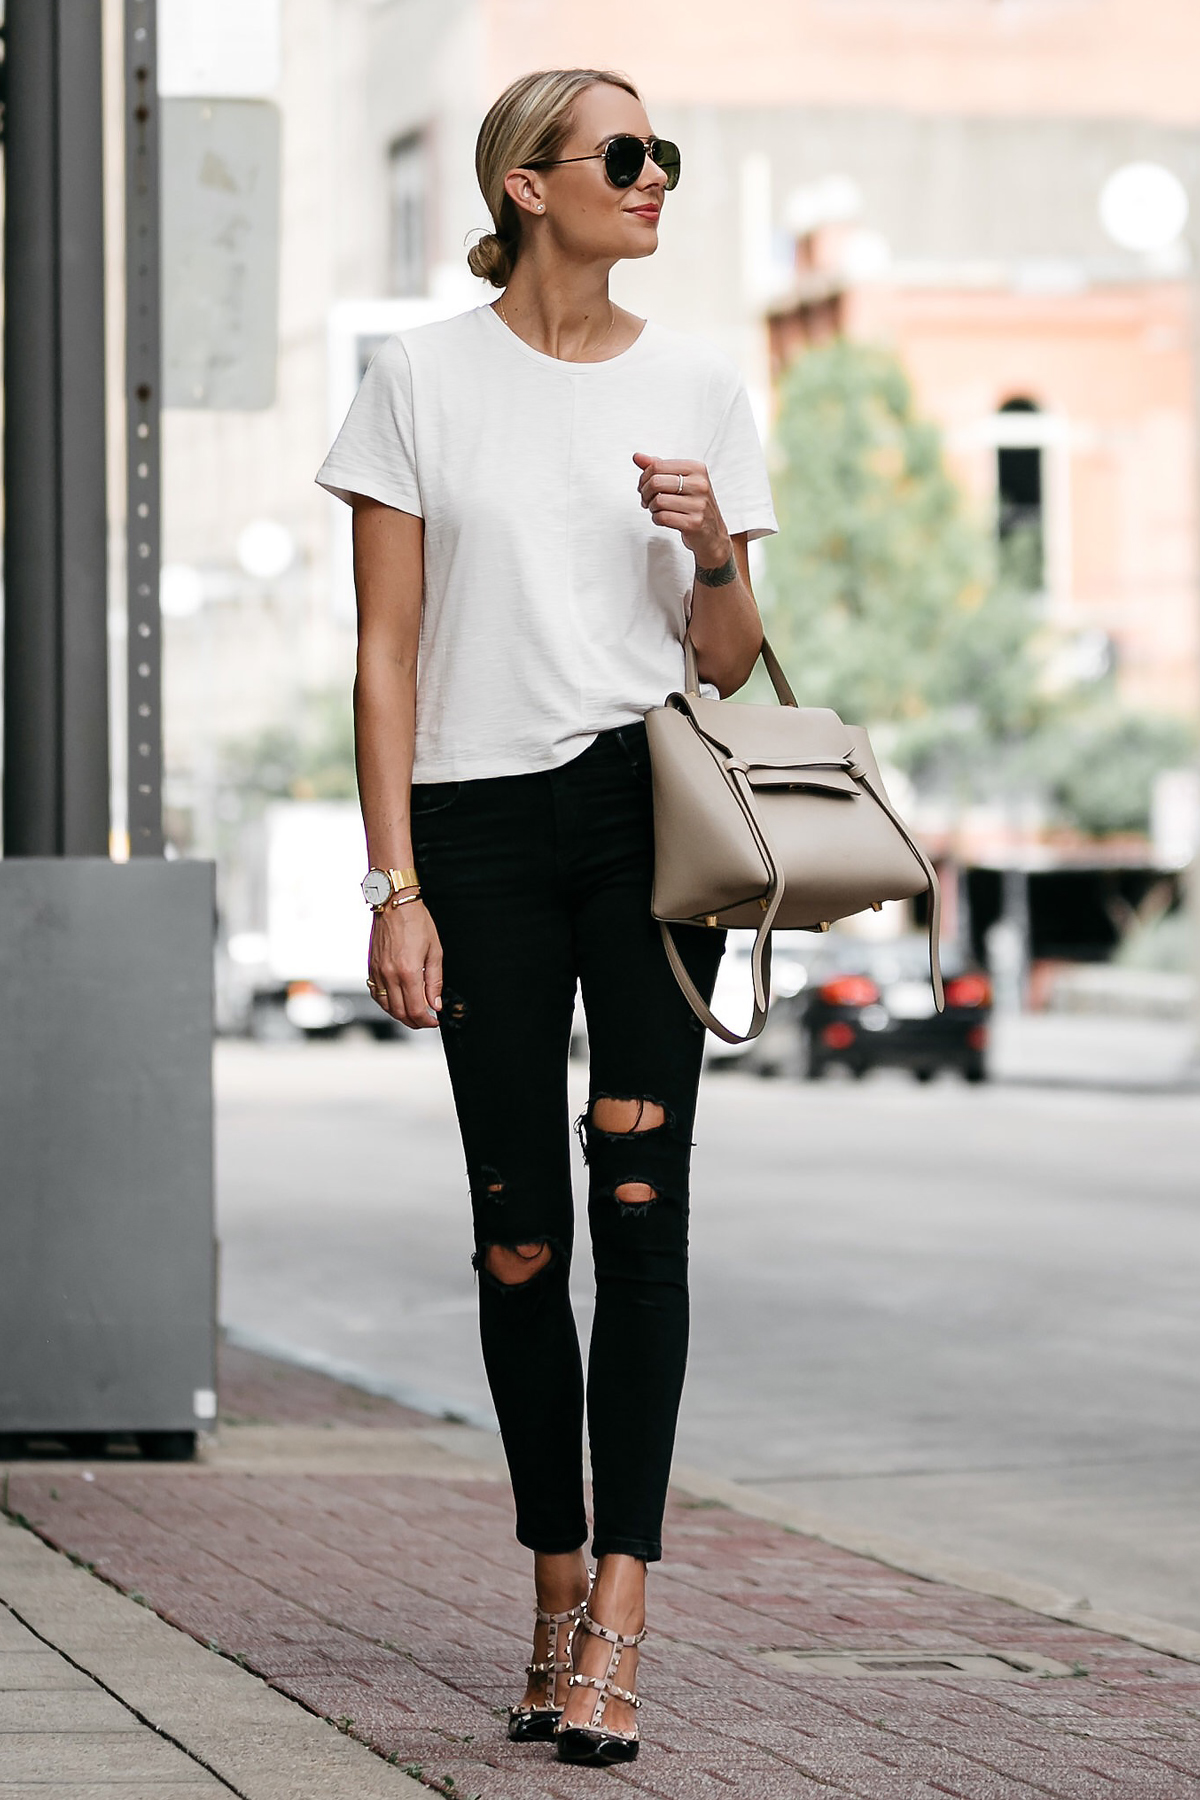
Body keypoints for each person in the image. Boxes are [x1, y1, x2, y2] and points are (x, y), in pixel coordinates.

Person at [316, 66, 776, 1766]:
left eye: (667, 159)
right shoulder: (419, 379)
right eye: (626, 156)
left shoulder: (704, 383)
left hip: (645, 819)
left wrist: (713, 542)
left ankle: (623, 1622)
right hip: (481, 827)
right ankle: (550, 1577)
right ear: (527, 183)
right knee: (521, 1236)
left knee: (641, 1204)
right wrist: (396, 884)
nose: (658, 181)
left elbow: (726, 655)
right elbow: (380, 655)